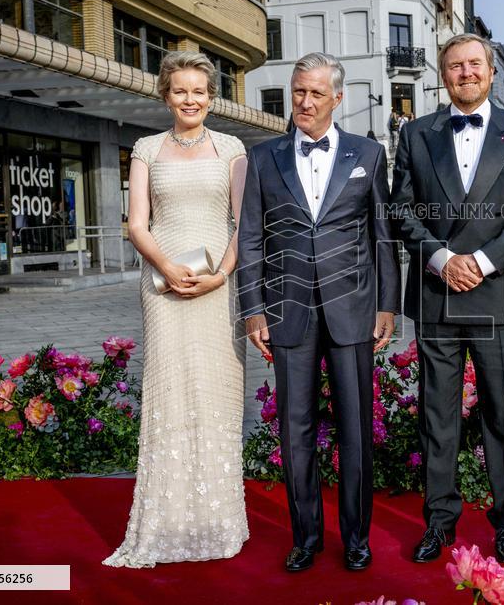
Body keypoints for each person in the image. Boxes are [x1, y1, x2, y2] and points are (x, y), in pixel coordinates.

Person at [390, 32, 504, 565]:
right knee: (437, 416)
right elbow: (401, 210)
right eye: (455, 66)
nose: (466, 73)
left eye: (475, 64)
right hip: (437, 293)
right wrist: (440, 258)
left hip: (498, 292)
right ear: (443, 74)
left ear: (489, 71)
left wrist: (480, 262)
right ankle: (439, 522)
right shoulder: (415, 134)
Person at [238, 52, 400, 573]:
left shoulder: (368, 154)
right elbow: (249, 240)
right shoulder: (262, 157)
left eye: (315, 93)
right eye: (298, 91)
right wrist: (253, 310)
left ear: (338, 98)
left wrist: (386, 305)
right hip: (287, 314)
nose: (304, 102)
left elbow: (382, 237)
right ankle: (305, 536)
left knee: (355, 429)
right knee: (296, 429)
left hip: (353, 312)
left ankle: (356, 538)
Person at [104, 51, 249, 568]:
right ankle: (165, 523)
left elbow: (242, 224)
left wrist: (222, 274)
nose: (191, 100)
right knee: (168, 397)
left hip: (218, 290)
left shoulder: (232, 148)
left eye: (200, 92)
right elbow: (137, 223)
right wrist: (166, 266)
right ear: (165, 94)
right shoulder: (145, 148)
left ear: (212, 97)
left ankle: (216, 522)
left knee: (216, 398)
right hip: (161, 287)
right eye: (181, 91)